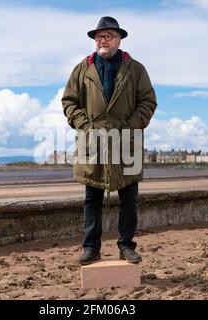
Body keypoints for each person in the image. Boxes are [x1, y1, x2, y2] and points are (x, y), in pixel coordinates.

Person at [62, 16, 157, 265]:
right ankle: (91, 247)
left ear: (119, 40)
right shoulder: (82, 69)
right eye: (98, 37)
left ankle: (127, 245)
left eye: (108, 36)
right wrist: (86, 125)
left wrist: (130, 126)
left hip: (127, 142)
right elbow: (69, 102)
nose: (102, 40)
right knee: (91, 199)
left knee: (129, 199)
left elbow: (147, 102)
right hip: (92, 142)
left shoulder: (135, 69)